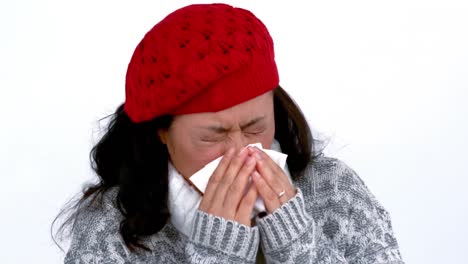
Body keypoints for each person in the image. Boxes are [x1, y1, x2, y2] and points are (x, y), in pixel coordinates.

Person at [56, 3, 404, 263]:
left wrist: (298, 245)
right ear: (161, 132)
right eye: (212, 136)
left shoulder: (333, 189)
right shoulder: (110, 225)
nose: (240, 152)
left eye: (255, 127)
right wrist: (217, 254)